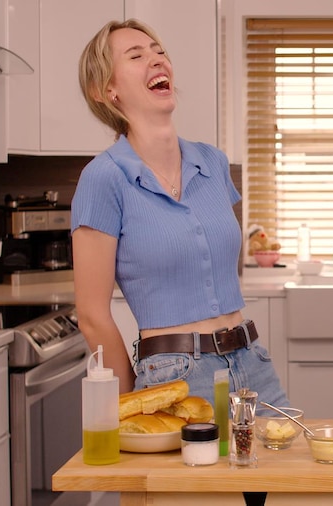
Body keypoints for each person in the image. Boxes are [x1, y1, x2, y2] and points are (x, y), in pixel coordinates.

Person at [71, 19, 289, 416]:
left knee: (285, 476)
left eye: (159, 52)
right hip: (174, 378)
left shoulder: (213, 162)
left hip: (251, 362)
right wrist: (130, 407)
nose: (156, 60)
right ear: (106, 90)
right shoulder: (103, 179)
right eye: (136, 56)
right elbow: (91, 315)